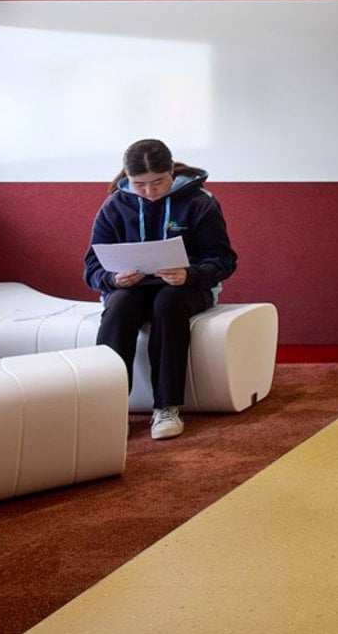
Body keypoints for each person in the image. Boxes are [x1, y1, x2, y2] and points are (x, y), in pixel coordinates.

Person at [84, 139, 238, 440]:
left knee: (168, 303)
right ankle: (107, 409)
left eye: (158, 182)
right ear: (127, 178)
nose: (150, 191)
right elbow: (91, 268)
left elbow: (224, 260)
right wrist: (112, 280)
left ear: (172, 171)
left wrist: (190, 274)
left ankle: (166, 407)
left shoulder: (200, 201)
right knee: (119, 307)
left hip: (187, 288)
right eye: (139, 184)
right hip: (133, 288)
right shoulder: (114, 205)